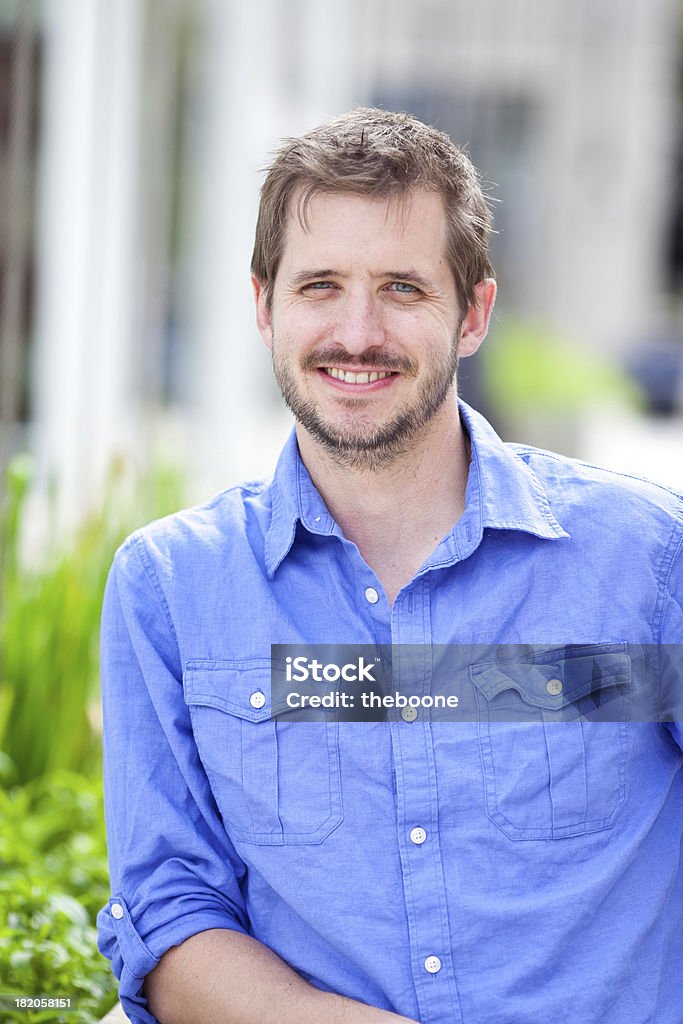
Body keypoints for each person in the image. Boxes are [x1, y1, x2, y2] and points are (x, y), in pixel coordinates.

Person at [97, 108, 683, 1024]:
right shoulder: (173, 590)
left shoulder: (647, 559)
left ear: (472, 313)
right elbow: (169, 917)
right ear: (263, 306)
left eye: (403, 289)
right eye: (320, 285)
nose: (357, 332)